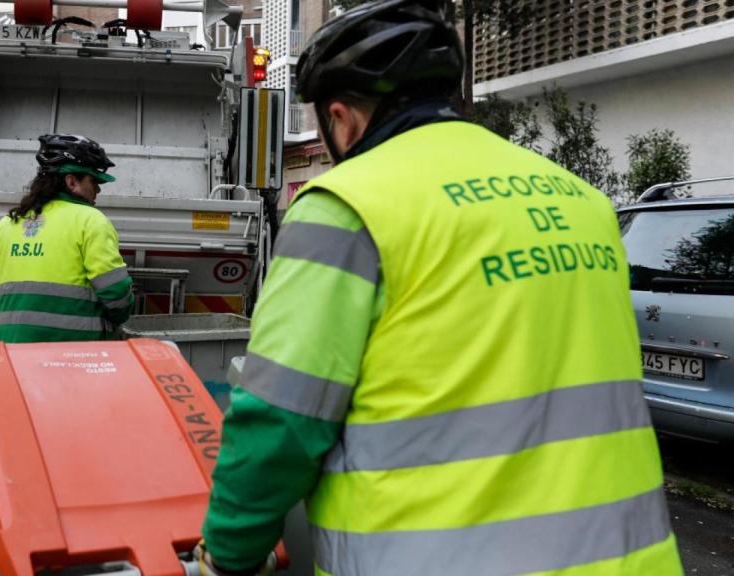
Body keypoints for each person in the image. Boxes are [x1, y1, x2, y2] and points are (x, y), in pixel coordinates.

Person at [196, 1, 683, 575]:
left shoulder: (349, 207)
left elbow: (281, 421)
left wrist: (228, 555)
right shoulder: (583, 202)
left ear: (341, 119)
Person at [0, 134, 133, 343]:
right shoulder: (91, 222)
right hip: (75, 361)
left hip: (14, 360)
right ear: (72, 182)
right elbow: (117, 294)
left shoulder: (8, 225)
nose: (98, 189)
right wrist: (114, 321)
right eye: (93, 181)